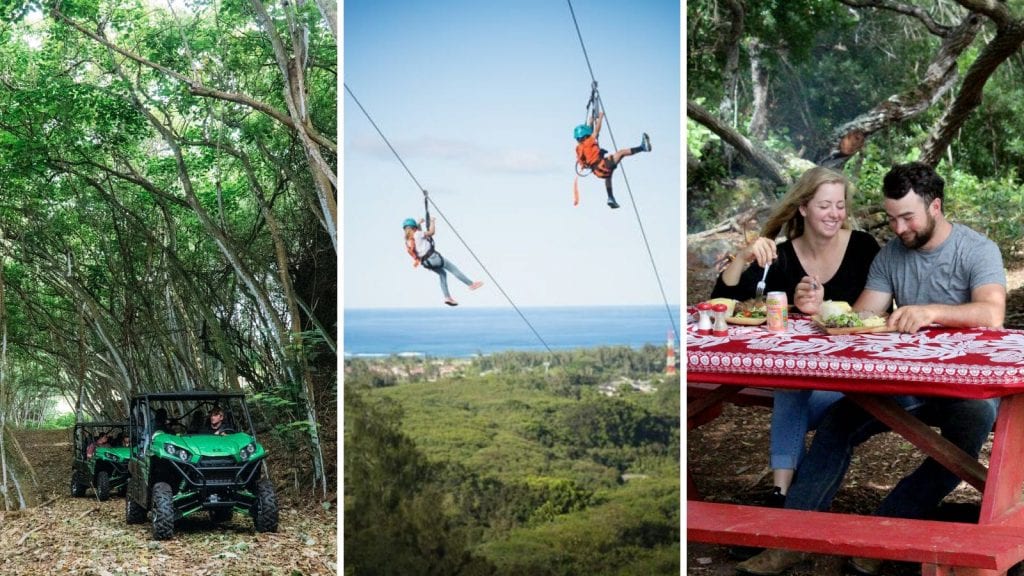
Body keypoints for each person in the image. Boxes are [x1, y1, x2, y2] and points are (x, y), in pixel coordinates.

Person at [736, 162, 1006, 576]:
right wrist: (824, 309)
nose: (898, 228)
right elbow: (863, 318)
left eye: (907, 217)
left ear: (935, 206)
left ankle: (883, 537)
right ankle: (789, 540)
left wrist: (931, 311)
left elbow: (991, 313)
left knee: (961, 448)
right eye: (892, 217)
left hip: (966, 389)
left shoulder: (977, 250)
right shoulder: (891, 255)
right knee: (839, 424)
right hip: (906, 383)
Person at [711, 166, 881, 506]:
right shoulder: (782, 256)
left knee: (791, 388)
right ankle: (784, 494)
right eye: (824, 205)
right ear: (803, 207)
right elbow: (723, 300)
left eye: (840, 205)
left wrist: (821, 310)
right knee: (791, 384)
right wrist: (744, 255)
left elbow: (878, 312)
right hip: (806, 381)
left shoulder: (864, 247)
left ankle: (786, 495)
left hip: (856, 379)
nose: (835, 214)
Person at [574, 111, 651, 209]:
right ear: (585, 136)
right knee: (621, 153)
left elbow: (584, 162)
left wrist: (591, 120)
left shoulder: (579, 148)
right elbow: (596, 131)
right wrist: (601, 117)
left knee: (608, 176)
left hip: (597, 171)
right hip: (602, 165)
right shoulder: (589, 141)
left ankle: (610, 197)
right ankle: (643, 147)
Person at [403, 217, 483, 306]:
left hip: (425, 263)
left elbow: (416, 233)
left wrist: (419, 223)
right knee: (453, 269)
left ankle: (447, 297)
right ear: (414, 227)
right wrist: (432, 222)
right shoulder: (418, 234)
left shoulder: (408, 240)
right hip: (433, 258)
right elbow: (431, 232)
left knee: (442, 274)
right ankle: (471, 284)